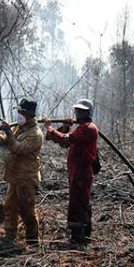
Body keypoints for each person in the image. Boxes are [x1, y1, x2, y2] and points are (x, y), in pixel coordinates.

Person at [43, 99, 99, 245]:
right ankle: (82, 234)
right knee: (79, 201)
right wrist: (65, 127)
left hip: (82, 172)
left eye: (82, 111)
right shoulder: (81, 127)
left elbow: (66, 139)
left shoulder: (88, 128)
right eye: (77, 111)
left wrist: (49, 128)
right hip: (76, 172)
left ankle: (78, 237)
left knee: (78, 203)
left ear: (88, 113)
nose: (78, 113)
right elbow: (63, 142)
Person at [0, 98, 44, 245]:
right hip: (14, 176)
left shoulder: (35, 134)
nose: (19, 114)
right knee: (10, 207)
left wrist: (8, 131)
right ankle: (9, 236)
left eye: (21, 112)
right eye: (18, 111)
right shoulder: (18, 128)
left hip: (26, 178)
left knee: (27, 210)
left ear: (29, 114)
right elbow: (5, 142)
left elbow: (18, 148)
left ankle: (32, 240)